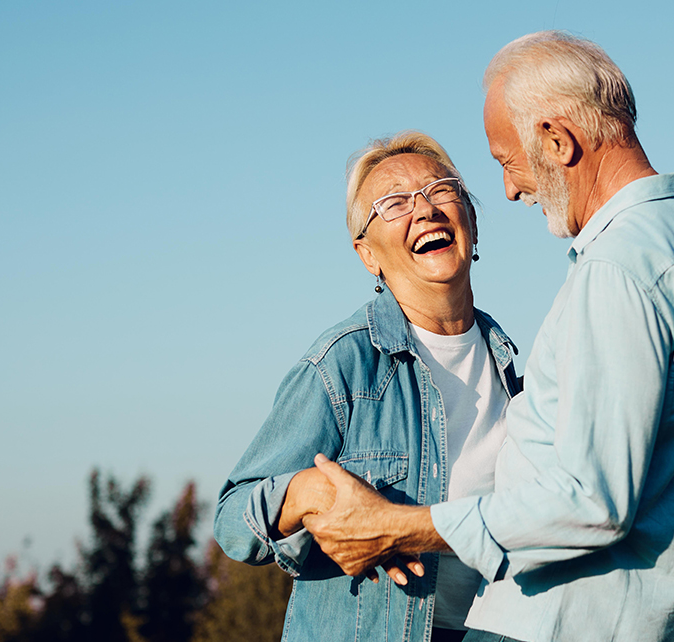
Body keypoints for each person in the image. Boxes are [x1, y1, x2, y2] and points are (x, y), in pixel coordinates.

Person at [302, 31, 674, 642]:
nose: (509, 189)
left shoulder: (614, 270)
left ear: (558, 140)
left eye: (507, 161)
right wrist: (637, 462)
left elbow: (592, 504)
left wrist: (398, 526)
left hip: (550, 623)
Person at [213, 131, 523, 642]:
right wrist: (304, 491)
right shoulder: (343, 364)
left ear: (471, 221)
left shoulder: (512, 367)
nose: (424, 210)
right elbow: (232, 518)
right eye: (395, 202)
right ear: (367, 254)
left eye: (441, 190)